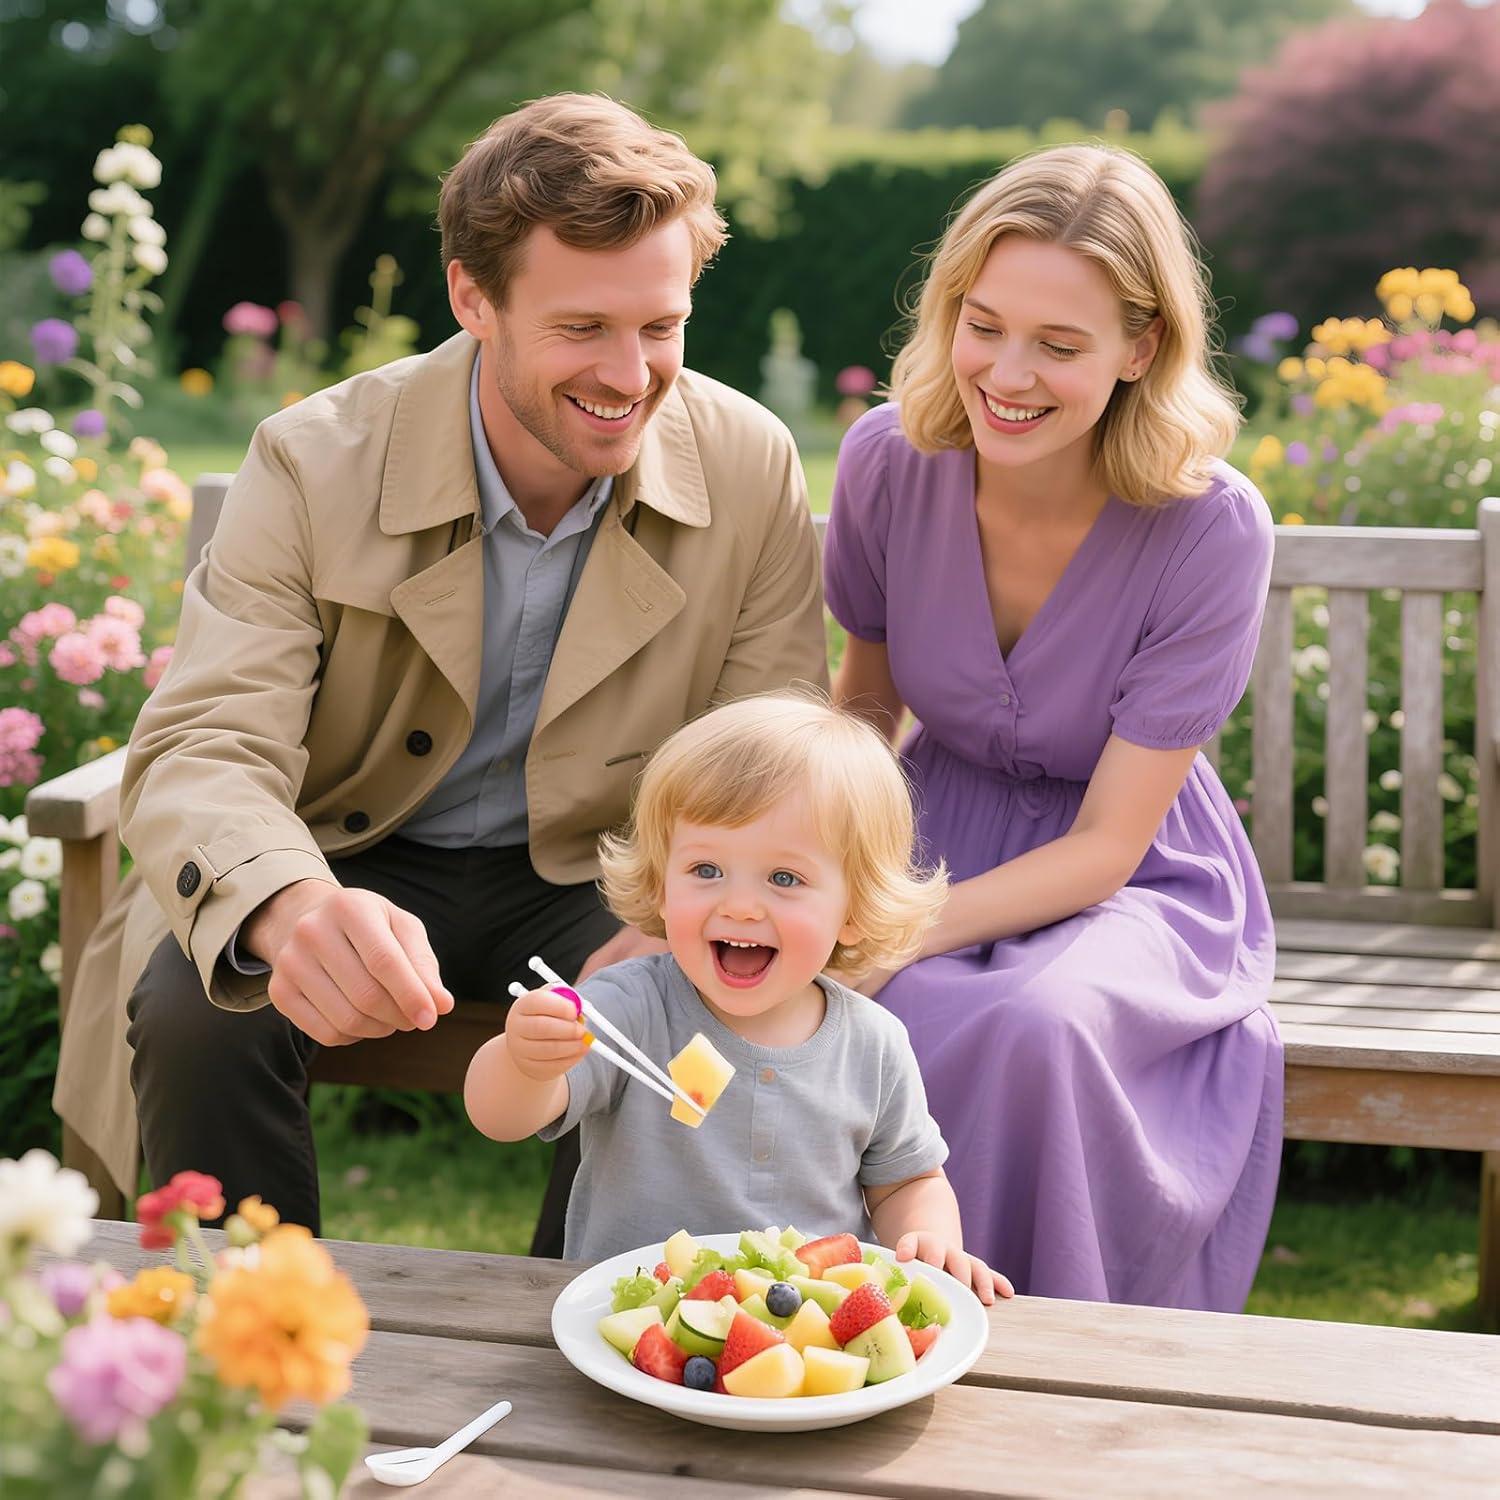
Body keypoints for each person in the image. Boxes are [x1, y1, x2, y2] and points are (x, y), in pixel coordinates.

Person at [52, 94, 827, 1253]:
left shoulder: (752, 464)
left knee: (697, 1004)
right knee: (197, 1004)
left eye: (662, 327)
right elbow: (206, 740)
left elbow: (775, 750)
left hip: (604, 875)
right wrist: (289, 904)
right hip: (344, 849)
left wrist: (691, 911)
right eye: (583, 329)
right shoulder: (311, 459)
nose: (632, 376)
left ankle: (601, 1339)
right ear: (473, 298)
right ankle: (256, 1347)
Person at [824, 143, 1282, 1312]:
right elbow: (866, 709)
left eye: (1060, 346)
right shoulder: (888, 460)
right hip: (929, 824)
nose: (1006, 375)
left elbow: (1108, 846)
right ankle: (839, 1328)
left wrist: (894, 930)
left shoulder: (1211, 527)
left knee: (1039, 1023)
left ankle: (1055, 1345)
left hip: (1132, 871)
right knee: (848, 1000)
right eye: (984, 325)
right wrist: (819, 875)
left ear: (1141, 348)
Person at [466, 694, 1010, 1302]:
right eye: (706, 870)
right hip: (636, 1326)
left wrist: (929, 1242)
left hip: (802, 1341)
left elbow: (907, 1182)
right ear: (661, 884)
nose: (740, 905)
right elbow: (502, 1117)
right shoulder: (630, 1008)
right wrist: (523, 1061)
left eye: (784, 879)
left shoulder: (874, 1043)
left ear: (853, 910)